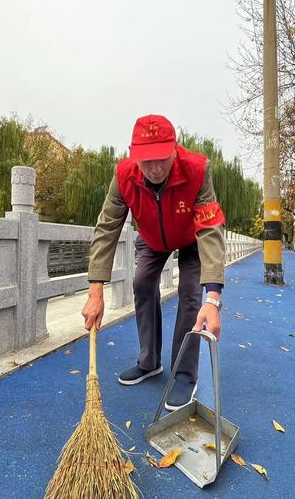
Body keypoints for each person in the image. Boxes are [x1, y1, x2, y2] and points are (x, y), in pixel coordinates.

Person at [82, 114, 226, 410]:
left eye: (163, 159)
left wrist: (213, 297)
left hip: (190, 238)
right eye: (147, 161)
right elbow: (107, 227)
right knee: (141, 282)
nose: (156, 169)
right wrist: (95, 290)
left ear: (175, 149)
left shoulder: (197, 170)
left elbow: (210, 229)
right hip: (151, 238)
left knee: (189, 293)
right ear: (134, 156)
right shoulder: (123, 175)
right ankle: (149, 361)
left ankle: (184, 374)